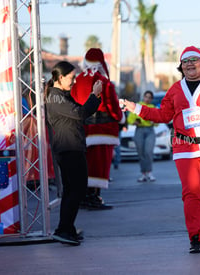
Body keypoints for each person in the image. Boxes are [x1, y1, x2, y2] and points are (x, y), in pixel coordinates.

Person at [122, 46, 200, 253]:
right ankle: (195, 237)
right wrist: (136, 108)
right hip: (184, 147)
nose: (189, 64)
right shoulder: (175, 89)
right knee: (192, 192)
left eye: (194, 60)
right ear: (181, 66)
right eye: (185, 62)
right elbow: (162, 116)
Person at [45, 61, 102, 245]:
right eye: (71, 78)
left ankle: (67, 229)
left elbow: (79, 113)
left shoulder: (60, 95)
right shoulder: (56, 97)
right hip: (69, 148)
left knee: (72, 190)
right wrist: (95, 95)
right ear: (60, 77)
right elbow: (81, 113)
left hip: (70, 147)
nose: (74, 81)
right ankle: (63, 229)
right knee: (76, 189)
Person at [71, 48, 124, 210]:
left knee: (85, 164)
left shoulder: (77, 80)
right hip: (103, 129)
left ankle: (84, 196)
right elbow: (113, 107)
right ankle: (94, 197)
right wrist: (120, 118)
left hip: (82, 129)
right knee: (100, 164)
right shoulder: (104, 82)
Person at [127, 91, 157, 182]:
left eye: (149, 97)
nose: (147, 99)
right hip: (139, 130)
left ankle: (150, 172)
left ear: (151, 99)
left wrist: (154, 121)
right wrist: (134, 122)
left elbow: (158, 120)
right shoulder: (137, 106)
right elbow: (130, 119)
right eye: (146, 97)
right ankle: (143, 173)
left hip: (150, 130)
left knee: (148, 152)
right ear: (143, 97)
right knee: (141, 153)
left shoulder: (153, 108)